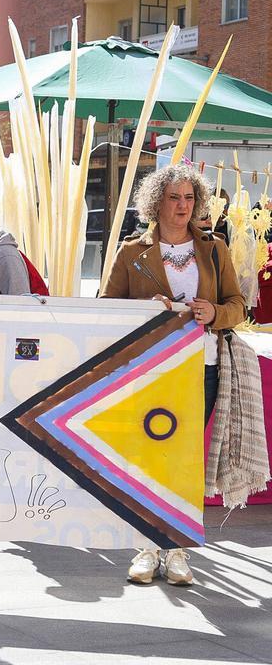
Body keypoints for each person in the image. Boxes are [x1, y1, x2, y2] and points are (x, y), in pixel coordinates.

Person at [101, 164, 244, 586]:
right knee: (148, 458)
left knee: (184, 460)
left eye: (189, 198)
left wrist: (214, 312)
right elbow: (106, 308)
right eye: (174, 197)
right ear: (156, 202)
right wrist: (145, 311)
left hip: (203, 367)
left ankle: (177, 550)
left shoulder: (215, 248)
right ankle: (147, 547)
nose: (183, 206)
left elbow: (238, 305)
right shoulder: (131, 251)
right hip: (149, 371)